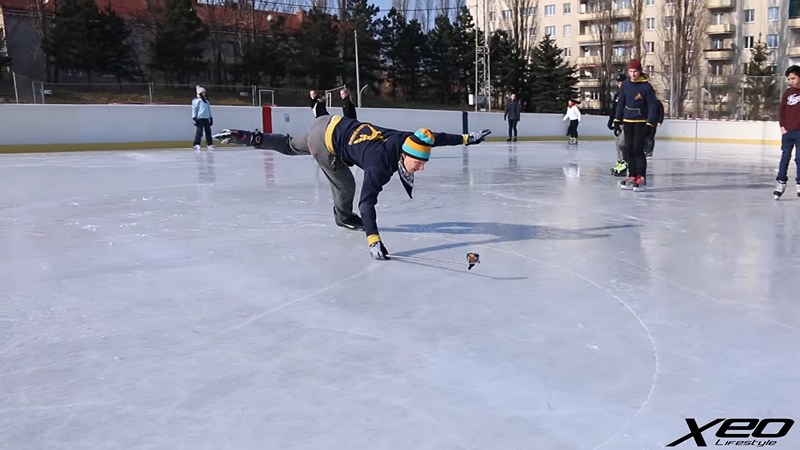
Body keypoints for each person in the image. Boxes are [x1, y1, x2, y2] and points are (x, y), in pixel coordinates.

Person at [212, 115, 491, 259]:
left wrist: (468, 138)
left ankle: (249, 137)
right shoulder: (380, 165)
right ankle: (342, 218)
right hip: (326, 141)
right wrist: (373, 240)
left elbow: (434, 138)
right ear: (405, 155)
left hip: (329, 122)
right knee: (346, 185)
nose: (422, 168)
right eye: (419, 164)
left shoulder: (408, 139)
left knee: (288, 144)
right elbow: (367, 203)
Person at [613, 59, 658, 192]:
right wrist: (616, 120)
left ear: (640, 71)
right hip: (628, 121)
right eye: (630, 71)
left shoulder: (646, 87)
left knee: (638, 149)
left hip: (641, 122)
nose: (633, 74)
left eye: (635, 71)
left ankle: (641, 177)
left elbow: (652, 106)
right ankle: (632, 175)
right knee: (628, 149)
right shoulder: (626, 85)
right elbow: (621, 103)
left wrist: (650, 123)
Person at [774, 65, 800, 200]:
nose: (790, 81)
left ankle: (799, 183)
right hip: (788, 132)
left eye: (793, 78)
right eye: (789, 79)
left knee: (799, 159)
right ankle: (781, 182)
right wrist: (782, 127)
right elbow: (782, 111)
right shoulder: (788, 93)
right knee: (785, 158)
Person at [608, 74, 628, 176]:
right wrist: (611, 120)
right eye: (619, 83)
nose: (620, 85)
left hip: (627, 123)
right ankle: (620, 162)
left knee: (622, 143)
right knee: (617, 145)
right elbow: (614, 109)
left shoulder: (629, 94)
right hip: (618, 123)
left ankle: (625, 163)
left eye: (622, 83)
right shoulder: (617, 95)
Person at [192, 85, 214, 152]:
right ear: (200, 93)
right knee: (199, 132)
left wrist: (211, 118)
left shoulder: (207, 102)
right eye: (203, 92)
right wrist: (194, 118)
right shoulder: (197, 101)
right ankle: (196, 144)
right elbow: (194, 109)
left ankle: (209, 144)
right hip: (200, 119)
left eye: (205, 92)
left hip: (206, 119)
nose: (205, 94)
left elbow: (209, 110)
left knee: (208, 132)